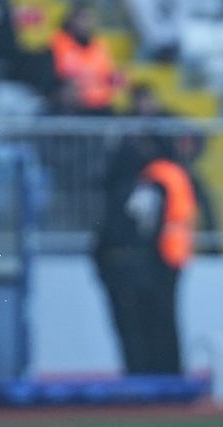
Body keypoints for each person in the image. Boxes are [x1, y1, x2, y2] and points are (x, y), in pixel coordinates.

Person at [94, 121, 196, 376]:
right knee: (161, 324)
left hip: (153, 262)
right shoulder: (169, 174)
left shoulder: (151, 179)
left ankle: (151, 378)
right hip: (168, 259)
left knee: (144, 326)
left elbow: (136, 222)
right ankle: (166, 376)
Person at [50, 3, 123, 114]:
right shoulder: (60, 42)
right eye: (82, 18)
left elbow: (107, 74)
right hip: (71, 103)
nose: (86, 23)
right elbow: (57, 74)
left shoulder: (99, 45)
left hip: (100, 104)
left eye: (88, 19)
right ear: (72, 20)